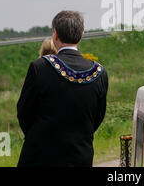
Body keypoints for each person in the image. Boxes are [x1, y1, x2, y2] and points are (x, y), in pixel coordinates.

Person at [17, 10, 108, 167]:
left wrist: (39, 136)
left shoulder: (39, 67)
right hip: (80, 157)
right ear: (81, 35)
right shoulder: (100, 73)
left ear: (55, 35)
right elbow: (98, 116)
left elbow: (24, 112)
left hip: (40, 157)